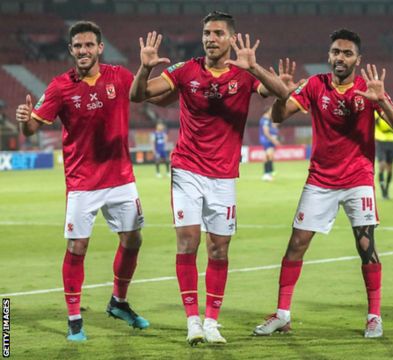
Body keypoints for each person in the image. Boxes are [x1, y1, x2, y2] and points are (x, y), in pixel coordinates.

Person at [129, 11, 290, 345]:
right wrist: (145, 67)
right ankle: (192, 321)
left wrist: (254, 67)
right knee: (188, 242)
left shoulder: (243, 74)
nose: (210, 38)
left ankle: (212, 321)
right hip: (187, 170)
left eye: (217, 33)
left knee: (219, 248)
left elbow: (282, 93)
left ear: (231, 38)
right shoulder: (187, 69)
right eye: (206, 32)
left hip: (224, 176)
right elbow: (139, 95)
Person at [253, 29, 393, 339]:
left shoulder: (367, 89)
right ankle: (282, 314)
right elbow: (279, 117)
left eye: (347, 53)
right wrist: (283, 93)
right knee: (296, 243)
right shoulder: (314, 85)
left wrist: (383, 103)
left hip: (358, 179)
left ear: (357, 59)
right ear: (329, 55)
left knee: (366, 246)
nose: (340, 57)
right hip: (320, 180)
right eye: (336, 51)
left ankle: (374, 316)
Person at [15, 21, 150, 342]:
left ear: (100, 48)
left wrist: (145, 69)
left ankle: (119, 302)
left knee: (133, 240)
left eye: (89, 45)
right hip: (82, 182)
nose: (83, 51)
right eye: (78, 46)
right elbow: (32, 129)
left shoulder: (120, 76)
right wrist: (25, 120)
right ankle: (74, 319)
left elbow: (143, 94)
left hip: (120, 178)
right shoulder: (60, 86)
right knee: (77, 247)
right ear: (71, 50)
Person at [374, 110, 393, 199]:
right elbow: (380, 123)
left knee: (390, 169)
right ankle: (382, 190)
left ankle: (387, 190)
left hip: (392, 142)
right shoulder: (376, 112)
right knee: (382, 166)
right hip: (381, 142)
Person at [259, 107, 280, 181]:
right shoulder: (265, 120)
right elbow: (266, 132)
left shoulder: (267, 120)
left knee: (268, 156)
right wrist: (273, 140)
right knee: (269, 155)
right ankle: (268, 173)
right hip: (267, 140)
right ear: (268, 111)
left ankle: (267, 173)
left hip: (267, 140)